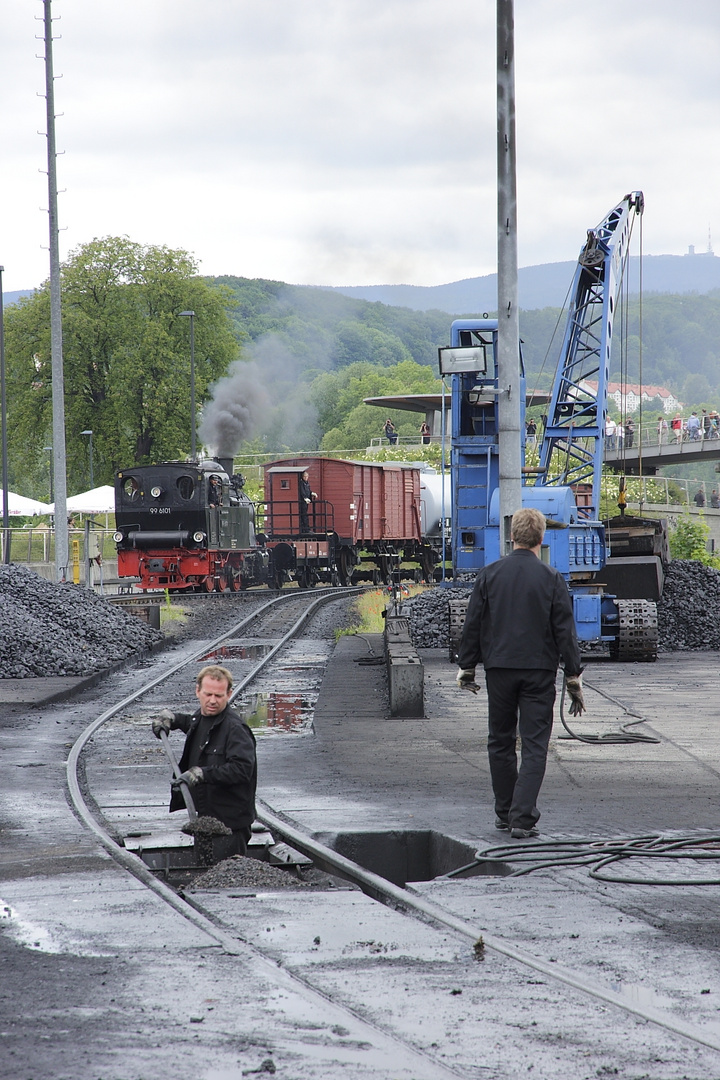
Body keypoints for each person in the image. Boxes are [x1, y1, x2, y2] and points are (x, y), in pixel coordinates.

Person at [455, 508, 584, 839]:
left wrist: (467, 666)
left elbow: (472, 624)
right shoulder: (552, 579)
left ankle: (504, 813)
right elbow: (565, 631)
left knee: (499, 741)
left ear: (511, 536)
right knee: (534, 744)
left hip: (498, 670)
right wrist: (573, 675)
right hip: (539, 672)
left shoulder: (489, 575)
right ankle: (522, 818)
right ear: (542, 538)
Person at [151, 665, 257, 854]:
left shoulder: (236, 729)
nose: (212, 701)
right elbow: (196, 725)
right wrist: (173, 719)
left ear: (229, 694)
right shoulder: (200, 717)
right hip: (205, 819)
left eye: (219, 696)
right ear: (198, 691)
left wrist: (202, 773)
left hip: (230, 826)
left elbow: (242, 769)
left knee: (226, 876)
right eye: (208, 694)